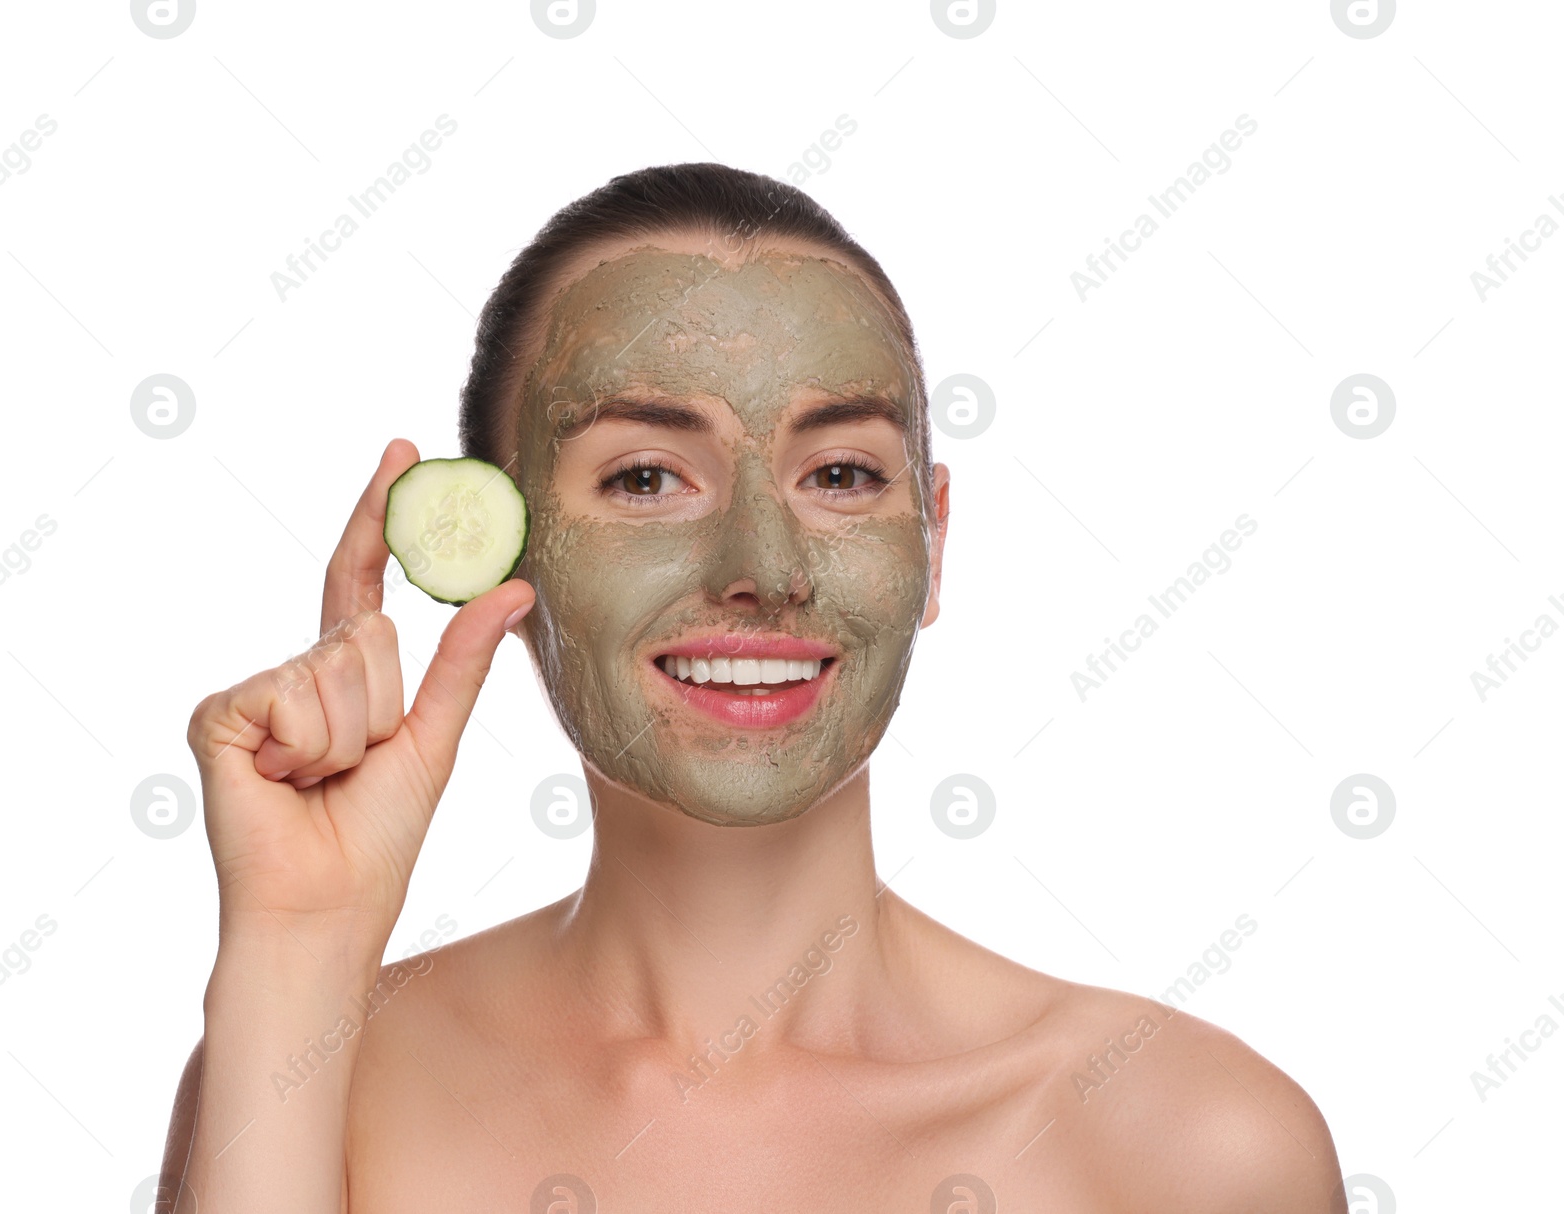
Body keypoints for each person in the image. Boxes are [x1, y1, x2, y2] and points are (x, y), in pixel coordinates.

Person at [164, 163, 1344, 1212]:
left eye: (838, 473)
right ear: (502, 547)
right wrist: (295, 942)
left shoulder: (1192, 1148)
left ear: (930, 539)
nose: (762, 572)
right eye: (643, 478)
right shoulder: (311, 1064)